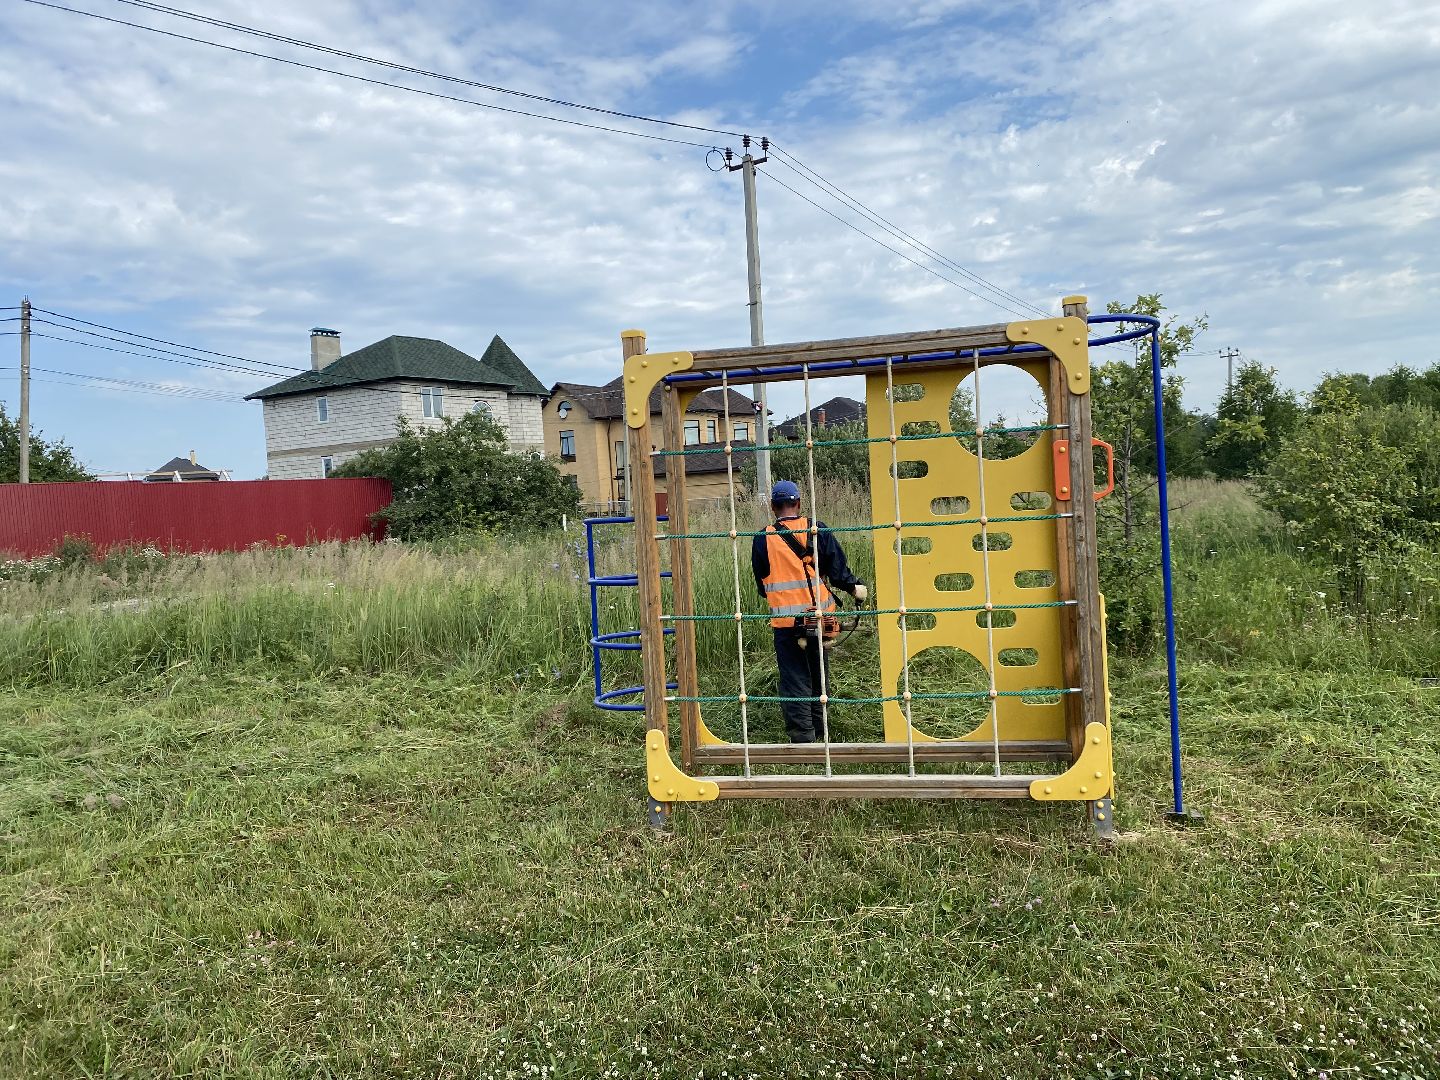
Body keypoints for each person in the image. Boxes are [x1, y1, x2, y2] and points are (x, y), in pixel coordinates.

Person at [752, 480, 868, 743]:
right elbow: (839, 573)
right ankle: (821, 729)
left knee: (794, 678)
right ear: (799, 504)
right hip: (820, 618)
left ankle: (803, 738)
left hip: (786, 623)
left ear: (773, 506)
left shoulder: (762, 539)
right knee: (819, 675)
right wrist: (855, 588)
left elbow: (762, 584)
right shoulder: (817, 530)